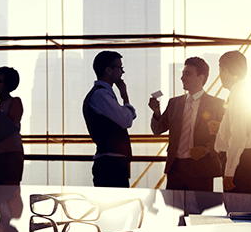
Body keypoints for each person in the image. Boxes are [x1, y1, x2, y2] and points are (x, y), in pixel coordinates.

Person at [149, 57, 225, 191]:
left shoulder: (217, 104)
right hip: (176, 168)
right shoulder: (174, 103)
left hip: (202, 168)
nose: (182, 78)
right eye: (183, 74)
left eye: (187, 74)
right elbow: (158, 129)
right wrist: (156, 112)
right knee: (173, 209)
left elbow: (223, 136)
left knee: (199, 210)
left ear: (201, 78)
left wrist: (206, 149)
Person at [83, 50, 136, 188]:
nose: (122, 72)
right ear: (108, 70)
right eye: (120, 67)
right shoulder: (100, 95)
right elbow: (126, 120)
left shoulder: (103, 94)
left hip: (111, 163)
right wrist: (125, 96)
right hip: (110, 165)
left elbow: (127, 117)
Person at [214, 51, 251, 194]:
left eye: (221, 70)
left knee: (236, 211)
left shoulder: (238, 95)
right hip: (249, 159)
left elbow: (238, 136)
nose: (220, 75)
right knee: (246, 212)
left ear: (226, 70)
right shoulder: (250, 92)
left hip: (240, 162)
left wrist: (229, 172)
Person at [0, 67, 24, 185]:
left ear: (8, 84)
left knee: (12, 194)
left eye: (0, 81)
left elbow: (10, 125)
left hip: (12, 153)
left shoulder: (15, 101)